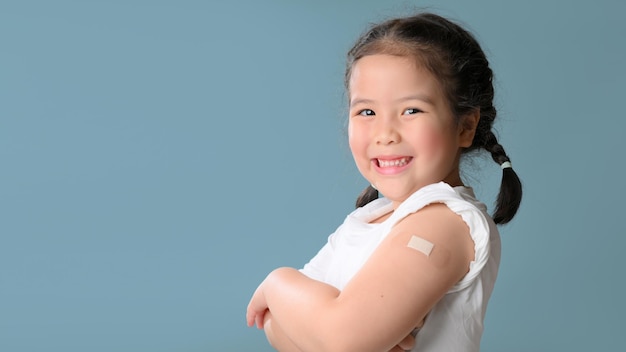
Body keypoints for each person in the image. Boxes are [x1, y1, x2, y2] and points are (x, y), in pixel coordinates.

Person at [246, 12, 522, 352]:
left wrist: (276, 284)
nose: (385, 134)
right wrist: (321, 326)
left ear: (464, 127)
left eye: (411, 111)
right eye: (366, 112)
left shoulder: (444, 221)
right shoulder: (369, 219)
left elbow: (338, 338)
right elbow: (276, 325)